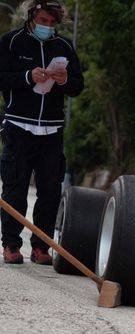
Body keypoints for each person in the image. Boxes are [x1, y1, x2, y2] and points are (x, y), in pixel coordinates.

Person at [0, 0, 83, 264]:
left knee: (50, 190)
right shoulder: (11, 42)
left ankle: (41, 246)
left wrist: (66, 80)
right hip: (18, 125)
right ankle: (11, 245)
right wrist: (27, 76)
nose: (47, 26)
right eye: (43, 20)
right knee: (15, 187)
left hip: (52, 129)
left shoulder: (65, 46)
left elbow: (78, 86)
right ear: (32, 16)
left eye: (52, 23)